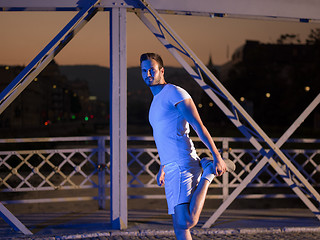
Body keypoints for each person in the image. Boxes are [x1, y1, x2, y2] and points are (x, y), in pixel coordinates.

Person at [140, 53, 235, 240]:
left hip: (183, 163)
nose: (148, 74)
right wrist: (163, 165)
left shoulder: (175, 93)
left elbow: (198, 125)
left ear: (161, 70)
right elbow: (165, 136)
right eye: (144, 71)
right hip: (172, 165)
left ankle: (207, 173)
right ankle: (205, 170)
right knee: (180, 228)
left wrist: (216, 156)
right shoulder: (155, 102)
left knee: (186, 221)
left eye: (152, 70)